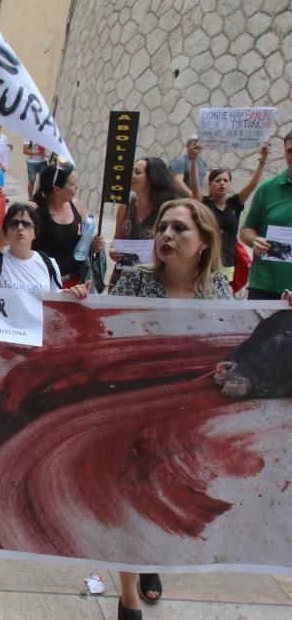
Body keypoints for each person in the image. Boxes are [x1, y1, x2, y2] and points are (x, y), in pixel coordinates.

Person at [110, 198, 232, 620]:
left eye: (180, 229)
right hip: (130, 412)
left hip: (186, 420)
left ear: (203, 241)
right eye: (162, 227)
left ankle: (149, 562)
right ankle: (128, 600)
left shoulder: (220, 291)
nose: (166, 236)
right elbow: (103, 338)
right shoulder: (131, 281)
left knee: (162, 500)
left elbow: (235, 346)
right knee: (127, 502)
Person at [0, 202, 91, 296]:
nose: (20, 228)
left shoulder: (48, 263)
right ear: (6, 233)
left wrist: (74, 293)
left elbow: (56, 302)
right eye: (14, 224)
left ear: (35, 233)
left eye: (26, 224)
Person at [109, 157, 180, 291]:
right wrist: (113, 251)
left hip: (155, 279)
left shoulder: (166, 211)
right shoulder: (125, 207)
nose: (132, 176)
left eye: (137, 172)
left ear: (151, 178)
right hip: (124, 277)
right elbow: (117, 239)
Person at [198, 145, 268, 280]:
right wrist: (194, 161)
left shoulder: (234, 203)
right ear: (210, 185)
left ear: (230, 184)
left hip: (228, 262)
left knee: (224, 296)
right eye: (217, 180)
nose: (222, 183)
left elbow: (252, 184)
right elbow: (194, 188)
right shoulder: (203, 204)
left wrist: (263, 159)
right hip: (205, 262)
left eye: (225, 180)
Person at [30, 162, 105, 285]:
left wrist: (93, 245)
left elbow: (84, 239)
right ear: (57, 189)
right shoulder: (35, 212)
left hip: (75, 282)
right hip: (43, 282)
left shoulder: (77, 205)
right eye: (72, 184)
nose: (77, 187)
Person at [240, 131, 292, 300]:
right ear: (284, 154)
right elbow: (246, 230)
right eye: (290, 151)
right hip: (265, 284)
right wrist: (255, 240)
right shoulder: (267, 189)